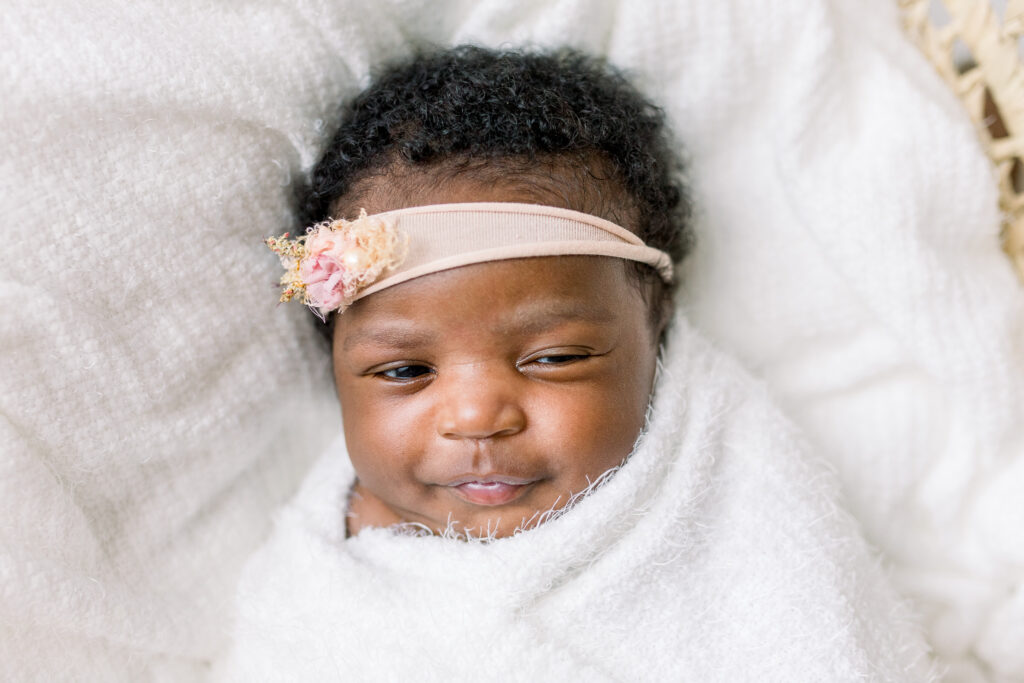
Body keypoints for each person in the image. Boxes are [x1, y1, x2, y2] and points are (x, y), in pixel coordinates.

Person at [220, 46, 933, 680]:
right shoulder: (318, 573)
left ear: (655, 325)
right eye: (406, 371)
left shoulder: (738, 500)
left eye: (554, 357)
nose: (475, 415)